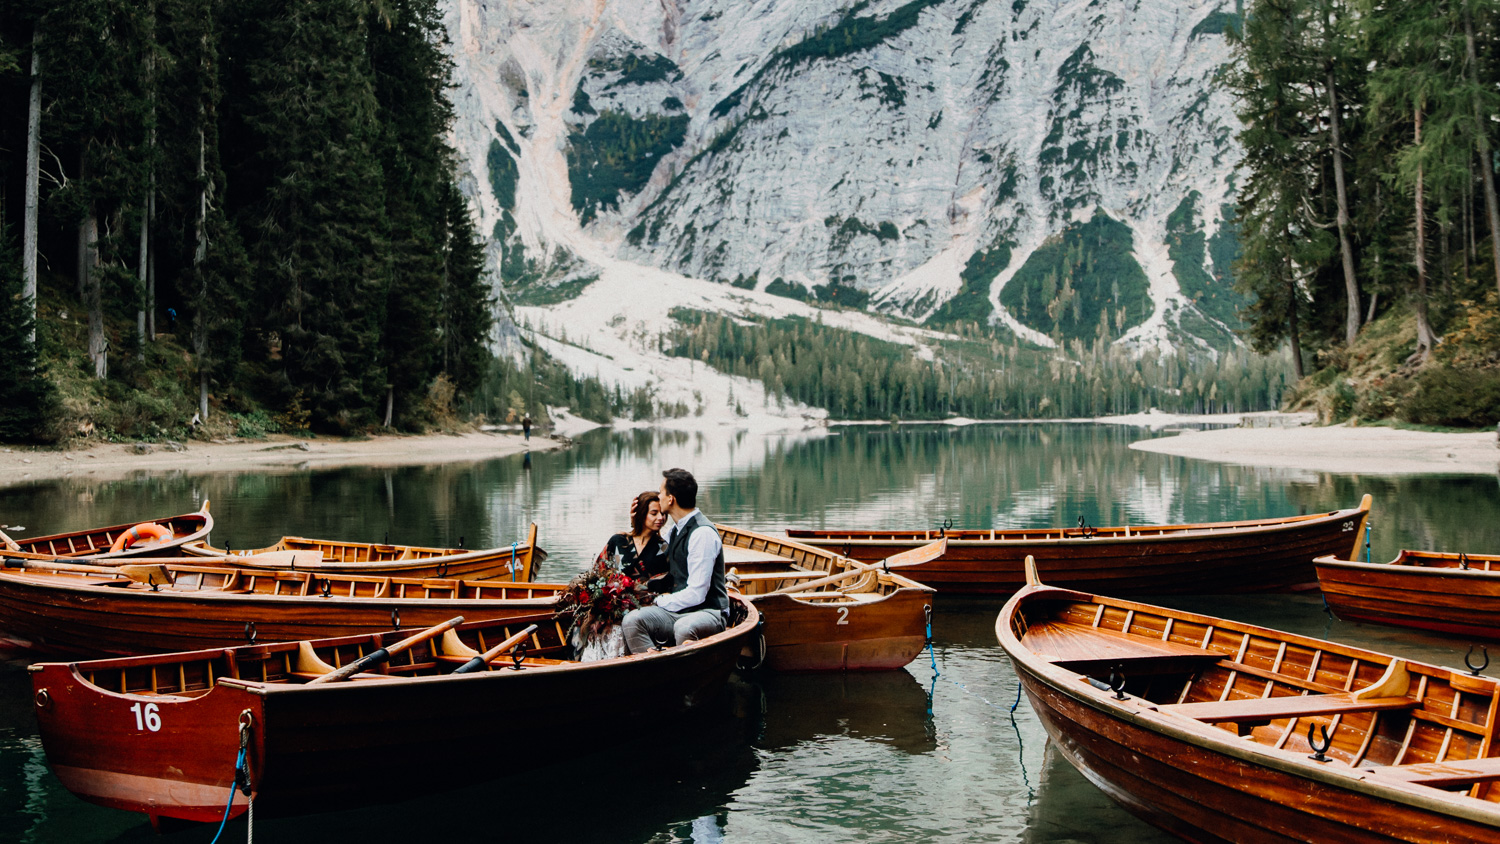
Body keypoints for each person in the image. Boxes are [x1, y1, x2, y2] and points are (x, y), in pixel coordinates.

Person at [621, 468, 728, 654]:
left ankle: (681, 677)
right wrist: (636, 523)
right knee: (632, 621)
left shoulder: (702, 533)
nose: (659, 496)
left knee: (684, 628)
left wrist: (660, 601)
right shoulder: (676, 530)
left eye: (661, 492)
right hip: (681, 610)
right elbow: (653, 552)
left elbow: (698, 593)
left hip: (709, 611)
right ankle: (656, 672)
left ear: (671, 499)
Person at [601, 491, 669, 582]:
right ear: (641, 514)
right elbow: (598, 572)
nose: (661, 517)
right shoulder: (618, 541)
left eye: (663, 513)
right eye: (654, 513)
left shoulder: (664, 547)